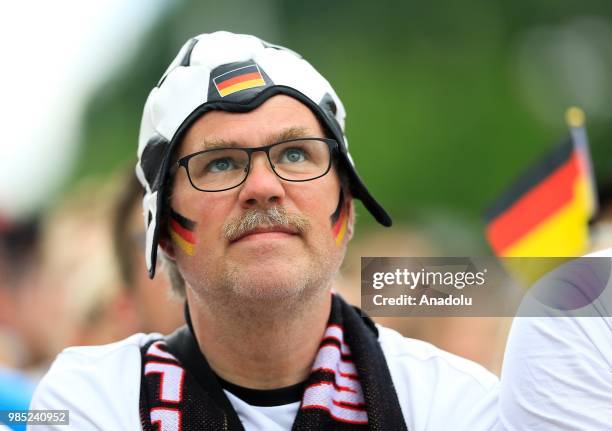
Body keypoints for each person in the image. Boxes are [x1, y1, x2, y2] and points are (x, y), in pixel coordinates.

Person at [29, 31, 499, 430]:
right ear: (165, 231)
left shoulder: (455, 401)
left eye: (296, 154)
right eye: (219, 164)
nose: (262, 186)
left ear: (347, 207)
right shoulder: (88, 401)